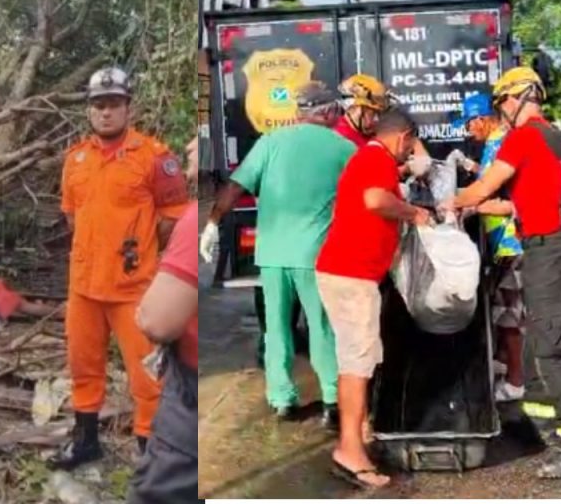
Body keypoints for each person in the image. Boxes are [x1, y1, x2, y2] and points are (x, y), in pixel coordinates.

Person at [439, 67, 561, 479]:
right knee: (539, 346)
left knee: (554, 348)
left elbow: (485, 186)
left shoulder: (525, 136)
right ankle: (548, 426)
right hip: (556, 247)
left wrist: (449, 202)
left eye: (502, 103)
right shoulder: (555, 137)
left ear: (517, 97)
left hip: (551, 251)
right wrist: (474, 207)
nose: (502, 111)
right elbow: (514, 203)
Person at [52, 66, 190, 470]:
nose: (105, 113)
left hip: (133, 288)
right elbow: (72, 217)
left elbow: (170, 219)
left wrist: (138, 251)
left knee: (147, 376)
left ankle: (149, 454)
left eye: (113, 104)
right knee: (83, 364)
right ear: (89, 111)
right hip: (84, 287)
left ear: (128, 107)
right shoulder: (75, 158)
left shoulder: (154, 157)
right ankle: (86, 441)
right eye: (98, 105)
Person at [200, 81, 353, 425]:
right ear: (327, 112)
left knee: (276, 328)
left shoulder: (269, 143)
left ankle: (282, 398)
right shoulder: (343, 147)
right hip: (315, 255)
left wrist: (211, 224)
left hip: (272, 254)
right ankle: (331, 399)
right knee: (322, 327)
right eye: (336, 111)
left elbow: (234, 186)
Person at [315, 107, 431, 490]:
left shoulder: (372, 158)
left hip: (351, 274)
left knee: (359, 359)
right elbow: (375, 200)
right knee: (358, 363)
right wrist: (414, 213)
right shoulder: (375, 157)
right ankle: (349, 450)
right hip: (350, 276)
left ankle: (359, 435)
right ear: (403, 137)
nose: (411, 151)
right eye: (411, 144)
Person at [129, 136, 200, 504]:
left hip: (190, 405)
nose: (188, 145)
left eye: (197, 138)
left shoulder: (194, 217)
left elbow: (158, 322)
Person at [450, 93, 525, 402]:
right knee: (502, 311)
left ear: (481, 119)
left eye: (469, 124)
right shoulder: (495, 144)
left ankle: (516, 381)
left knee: (510, 315)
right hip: (500, 244)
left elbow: (513, 201)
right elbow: (489, 180)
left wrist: (470, 207)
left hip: (511, 242)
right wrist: (468, 164)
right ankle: (506, 365)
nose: (469, 131)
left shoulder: (505, 143)